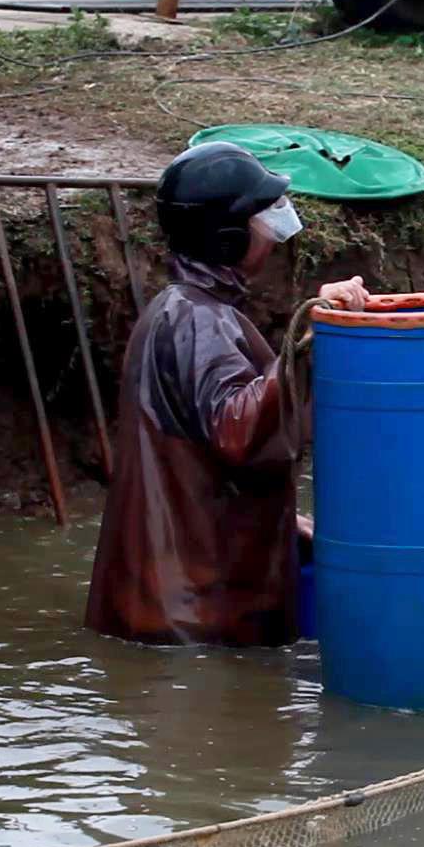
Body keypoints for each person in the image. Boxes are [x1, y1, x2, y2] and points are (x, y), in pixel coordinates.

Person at [86, 142, 367, 647]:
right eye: (265, 214)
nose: (277, 225)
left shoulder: (184, 309)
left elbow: (205, 462)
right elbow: (239, 431)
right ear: (229, 236)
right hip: (195, 621)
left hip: (168, 606)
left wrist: (285, 523)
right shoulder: (199, 317)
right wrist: (313, 339)